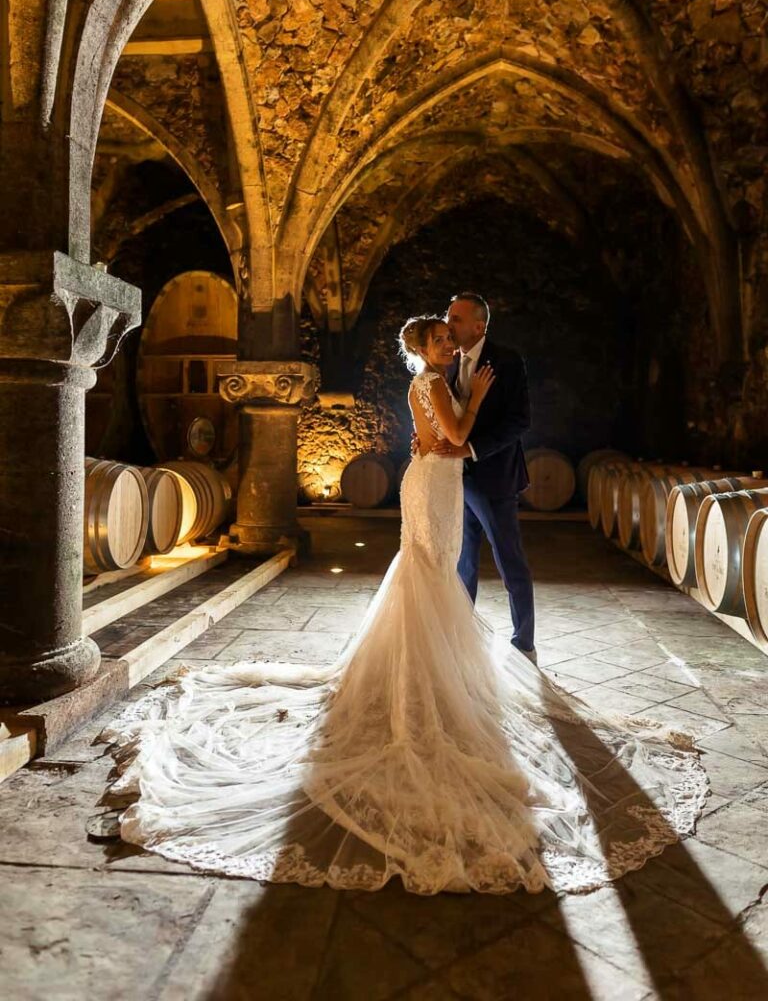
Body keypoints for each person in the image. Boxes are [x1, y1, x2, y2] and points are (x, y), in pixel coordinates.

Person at [101, 315, 708, 896]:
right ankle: (425, 682)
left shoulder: (426, 382)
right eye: (442, 339)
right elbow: (462, 434)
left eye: (451, 337)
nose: (451, 345)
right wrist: (475, 401)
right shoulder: (435, 381)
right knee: (431, 572)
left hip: (435, 478)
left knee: (433, 571)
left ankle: (431, 674)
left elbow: (440, 439)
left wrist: (454, 424)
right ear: (425, 349)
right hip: (435, 480)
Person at [436, 293, 536, 661]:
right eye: (449, 317)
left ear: (480, 326)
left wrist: (472, 449)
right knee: (463, 562)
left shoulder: (507, 361)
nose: (449, 326)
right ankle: (463, 638)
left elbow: (519, 421)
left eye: (457, 319)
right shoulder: (446, 360)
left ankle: (524, 642)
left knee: (509, 559)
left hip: (494, 478)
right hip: (455, 479)